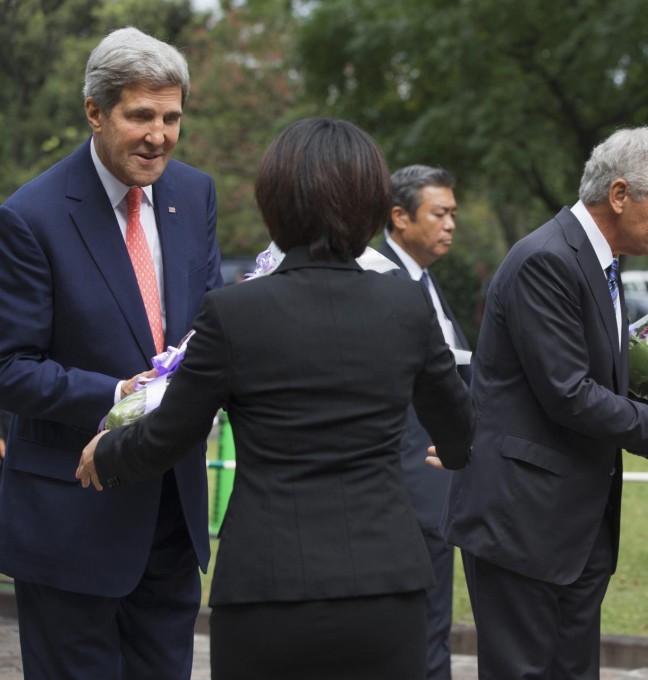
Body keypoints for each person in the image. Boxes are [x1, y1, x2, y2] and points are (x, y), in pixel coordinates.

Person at [76, 118, 475, 679]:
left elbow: (173, 433)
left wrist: (107, 452)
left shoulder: (235, 312)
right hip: (386, 585)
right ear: (371, 205)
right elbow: (459, 428)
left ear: (275, 202)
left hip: (266, 586)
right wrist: (453, 454)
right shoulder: (405, 306)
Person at [441, 126, 648, 679]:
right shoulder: (547, 260)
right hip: (524, 521)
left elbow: (600, 380)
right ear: (620, 196)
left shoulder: (599, 262)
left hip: (574, 524)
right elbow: (569, 394)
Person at [0, 27, 222, 678]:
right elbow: (9, 367)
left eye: (172, 116)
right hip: (72, 518)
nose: (159, 135)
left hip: (171, 514)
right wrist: (119, 396)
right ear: (95, 111)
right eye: (140, 116)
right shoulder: (28, 217)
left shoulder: (195, 193)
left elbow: (206, 327)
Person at [379, 164, 470, 680]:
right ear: (400, 217)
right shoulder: (383, 280)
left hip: (437, 481)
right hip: (403, 484)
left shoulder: (425, 281)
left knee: (434, 625)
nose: (451, 224)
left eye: (454, 213)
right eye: (440, 213)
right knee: (413, 633)